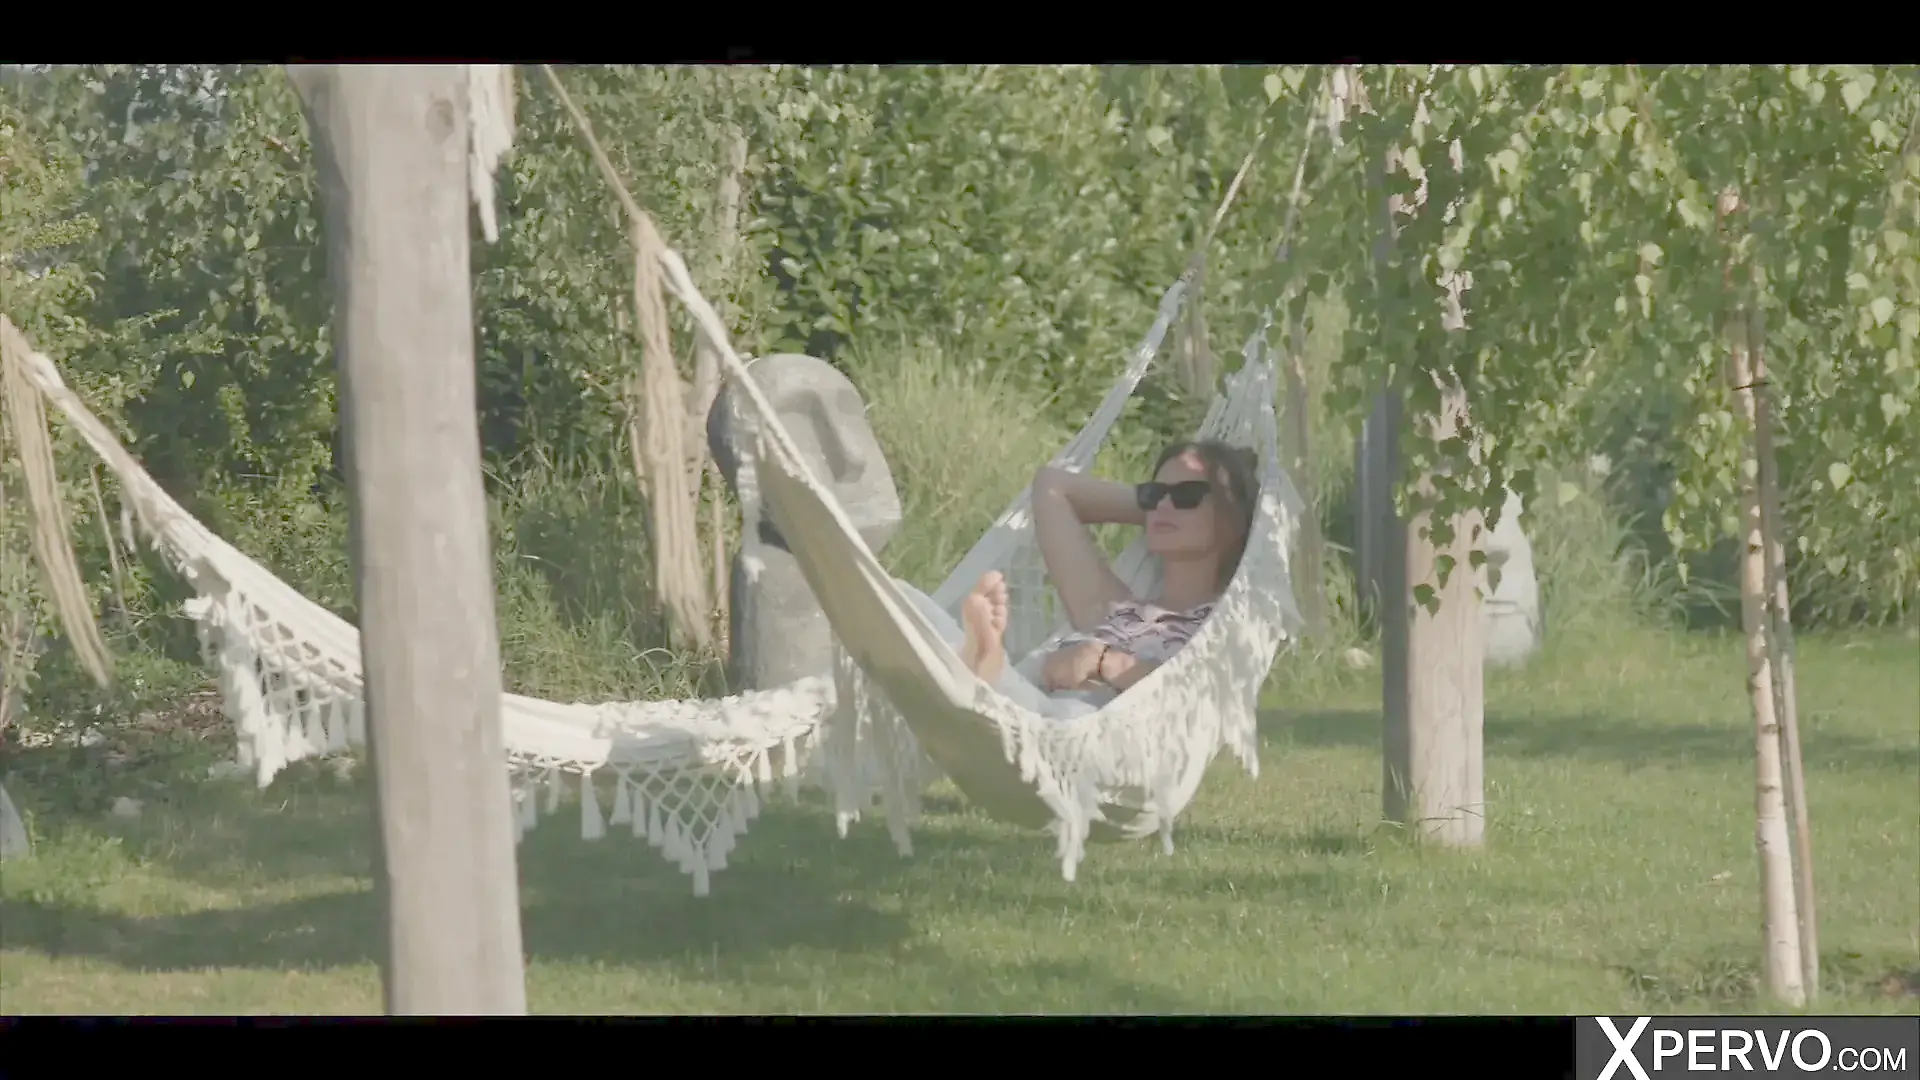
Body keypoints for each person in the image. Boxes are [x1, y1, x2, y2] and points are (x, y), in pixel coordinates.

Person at [893, 440, 1260, 719]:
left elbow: (1202, 697)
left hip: (1090, 738)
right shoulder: (1112, 606)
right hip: (1033, 709)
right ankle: (984, 668)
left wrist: (1104, 662)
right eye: (1154, 494)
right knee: (903, 598)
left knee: (1070, 717)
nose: (1163, 505)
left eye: (1187, 495)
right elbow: (1052, 486)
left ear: (1234, 519)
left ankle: (984, 669)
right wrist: (1162, 510)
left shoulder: (1228, 623)